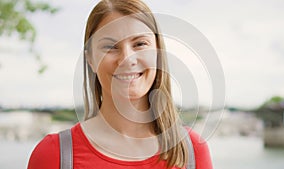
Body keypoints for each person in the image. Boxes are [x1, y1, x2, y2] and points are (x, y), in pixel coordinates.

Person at [27, 0, 213, 168]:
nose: (126, 59)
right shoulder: (53, 155)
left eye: (140, 44)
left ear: (157, 52)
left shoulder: (192, 151)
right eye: (110, 47)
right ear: (90, 60)